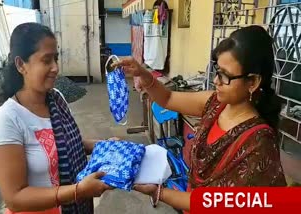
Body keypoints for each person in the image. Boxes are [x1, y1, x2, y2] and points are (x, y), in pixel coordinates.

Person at [113, 25, 287, 212]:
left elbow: (220, 204)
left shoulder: (259, 142)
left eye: (225, 76)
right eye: (217, 71)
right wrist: (142, 73)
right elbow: (168, 98)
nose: (216, 81)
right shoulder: (215, 104)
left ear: (252, 82)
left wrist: (159, 192)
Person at [0, 23, 114, 214]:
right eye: (46, 60)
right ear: (21, 65)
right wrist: (78, 191)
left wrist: (104, 146)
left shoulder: (56, 99)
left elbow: (67, 144)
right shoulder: (7, 119)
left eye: (56, 58)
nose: (55, 68)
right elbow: (14, 199)